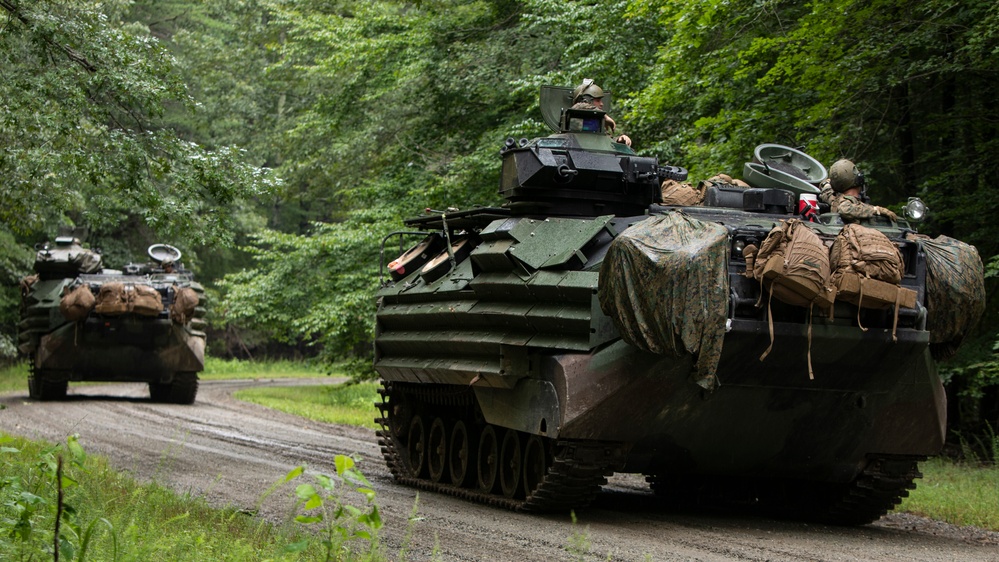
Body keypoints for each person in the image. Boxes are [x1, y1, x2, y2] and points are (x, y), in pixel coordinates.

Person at [818, 159, 897, 222]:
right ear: (858, 180)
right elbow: (845, 209)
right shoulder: (847, 203)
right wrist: (876, 210)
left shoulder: (834, 199)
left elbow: (826, 190)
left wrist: (827, 183)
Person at [571, 79, 632, 147]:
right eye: (598, 100)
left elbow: (604, 142)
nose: (601, 104)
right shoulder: (573, 119)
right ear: (586, 101)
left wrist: (618, 140)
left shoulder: (598, 123)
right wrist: (604, 116)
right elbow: (578, 107)